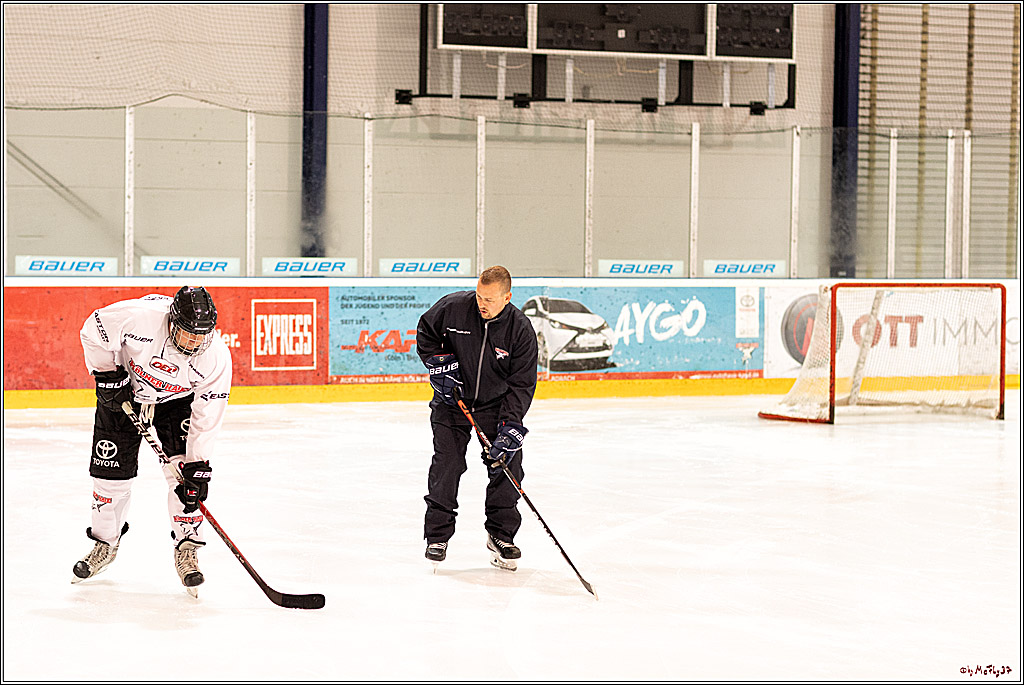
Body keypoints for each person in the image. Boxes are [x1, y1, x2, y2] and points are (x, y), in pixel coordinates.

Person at [73, 285, 232, 597]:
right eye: (188, 334)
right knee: (109, 477)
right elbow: (93, 330)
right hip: (123, 392)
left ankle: (187, 545)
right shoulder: (140, 318)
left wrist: (198, 463)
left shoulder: (215, 357)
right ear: (172, 322)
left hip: (177, 402)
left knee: (185, 478)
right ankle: (105, 543)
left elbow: (207, 414)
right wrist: (107, 375)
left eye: (202, 336)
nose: (195, 343)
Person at [417, 265, 539, 571]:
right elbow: (426, 331)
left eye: (490, 299)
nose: (482, 304)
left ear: (508, 297)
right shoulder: (455, 307)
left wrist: (511, 424)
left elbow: (521, 384)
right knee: (448, 463)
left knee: (507, 464)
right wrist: (439, 364)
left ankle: (501, 535)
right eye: (479, 296)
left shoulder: (520, 331)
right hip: (451, 402)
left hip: (495, 405)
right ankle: (437, 535)